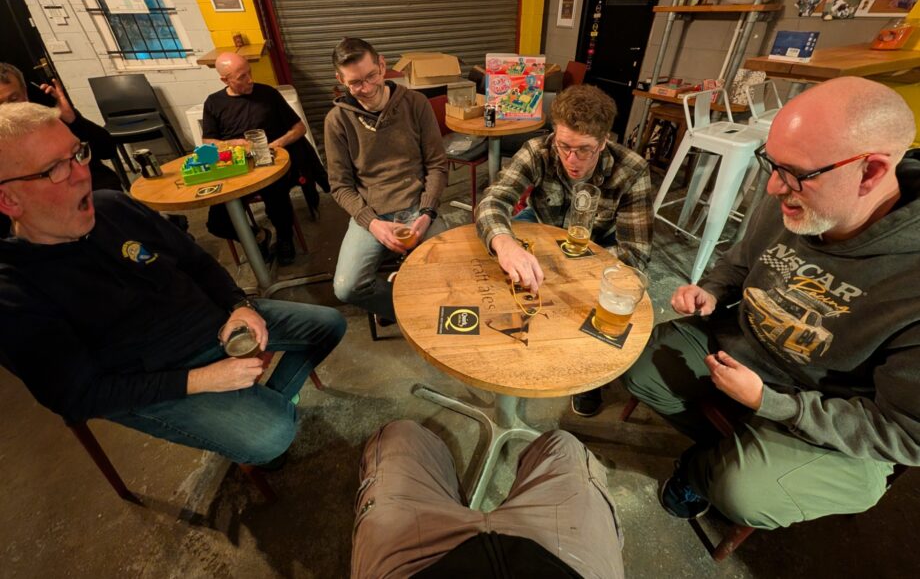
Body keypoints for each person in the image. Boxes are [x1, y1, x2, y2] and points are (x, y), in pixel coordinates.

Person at [622, 77, 920, 530]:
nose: (773, 188)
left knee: (744, 493)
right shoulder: (794, 197)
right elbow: (742, 259)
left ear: (871, 172)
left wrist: (775, 405)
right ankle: (727, 452)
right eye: (772, 164)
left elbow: (905, 432)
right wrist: (713, 289)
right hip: (743, 352)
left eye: (795, 173)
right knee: (636, 362)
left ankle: (704, 472)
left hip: (831, 410)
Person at [0, 102, 346, 466]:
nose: (82, 174)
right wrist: (203, 380)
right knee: (273, 438)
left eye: (77, 154)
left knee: (329, 325)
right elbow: (77, 396)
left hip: (216, 327)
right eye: (55, 169)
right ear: (8, 199)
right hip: (155, 379)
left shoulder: (113, 206)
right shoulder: (13, 289)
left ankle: (262, 404)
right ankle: (260, 413)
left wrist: (238, 306)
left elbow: (196, 261)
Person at [475, 83, 654, 417]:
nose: (572, 160)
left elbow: (636, 253)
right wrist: (506, 245)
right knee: (501, 272)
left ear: (604, 141)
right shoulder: (538, 150)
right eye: (564, 146)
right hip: (543, 225)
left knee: (605, 300)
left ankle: (588, 375)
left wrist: (572, 270)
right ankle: (513, 350)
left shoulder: (631, 169)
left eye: (584, 150)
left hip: (599, 246)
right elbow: (492, 201)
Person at [351, 420, 624, 579]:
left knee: (401, 436)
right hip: (564, 565)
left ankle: (451, 503)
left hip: (416, 568)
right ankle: (454, 505)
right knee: (563, 446)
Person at [324, 37, 448, 323]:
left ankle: (411, 297)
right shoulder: (337, 121)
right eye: (356, 83)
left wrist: (427, 212)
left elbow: (437, 165)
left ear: (382, 65)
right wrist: (372, 223)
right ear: (340, 80)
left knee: (451, 268)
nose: (367, 88)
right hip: (373, 212)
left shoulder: (415, 104)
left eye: (371, 76)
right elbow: (340, 186)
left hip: (417, 205)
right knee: (347, 287)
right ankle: (408, 311)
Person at [202, 52, 329, 265]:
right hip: (237, 167)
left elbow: (299, 128)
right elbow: (208, 141)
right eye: (242, 77)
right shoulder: (214, 102)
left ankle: (285, 238)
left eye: (249, 72)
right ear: (225, 80)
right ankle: (258, 236)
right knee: (217, 222)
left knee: (276, 199)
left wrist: (277, 144)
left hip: (271, 162)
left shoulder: (268, 94)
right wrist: (234, 143)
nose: (250, 79)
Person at [0, 63, 122, 236]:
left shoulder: (52, 118)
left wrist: (73, 120)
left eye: (13, 100)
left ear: (25, 94)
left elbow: (108, 149)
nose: (8, 110)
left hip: (96, 202)